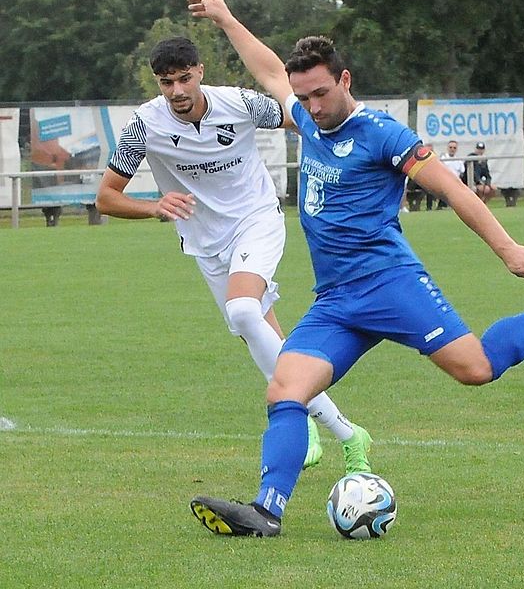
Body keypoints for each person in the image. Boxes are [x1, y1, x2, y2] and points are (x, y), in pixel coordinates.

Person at [184, 0, 524, 537]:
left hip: (390, 284)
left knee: (474, 369)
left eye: (322, 94)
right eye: (304, 98)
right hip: (336, 301)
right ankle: (267, 511)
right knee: (285, 389)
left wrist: (507, 249)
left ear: (346, 80)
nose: (312, 107)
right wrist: (230, 20)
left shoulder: (383, 135)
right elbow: (269, 73)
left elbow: (452, 189)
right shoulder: (308, 118)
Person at [95, 37, 372, 476]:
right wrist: (154, 206)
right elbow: (106, 198)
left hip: (256, 220)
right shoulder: (143, 127)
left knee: (243, 311)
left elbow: (302, 118)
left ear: (200, 72)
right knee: (261, 333)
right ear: (158, 83)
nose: (177, 91)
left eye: (185, 79)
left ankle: (311, 417)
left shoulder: (240, 104)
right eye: (167, 83)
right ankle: (345, 432)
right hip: (206, 243)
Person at [436, 140, 461, 209]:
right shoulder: (442, 159)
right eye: (450, 147)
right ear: (447, 148)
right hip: (444, 182)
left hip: (457, 182)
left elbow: (462, 172)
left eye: (454, 148)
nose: (452, 149)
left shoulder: (459, 160)